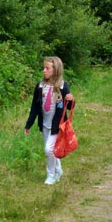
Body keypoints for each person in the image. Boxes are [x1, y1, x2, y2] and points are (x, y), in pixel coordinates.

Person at [24, 56, 75, 185]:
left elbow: (69, 106)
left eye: (47, 68)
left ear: (55, 69)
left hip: (57, 125)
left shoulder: (62, 86)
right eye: (44, 68)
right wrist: (29, 124)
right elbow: (35, 107)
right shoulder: (40, 86)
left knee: (48, 150)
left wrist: (71, 99)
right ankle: (58, 170)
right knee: (52, 149)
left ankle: (50, 175)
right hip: (45, 125)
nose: (44, 70)